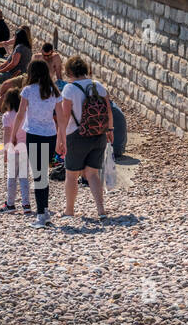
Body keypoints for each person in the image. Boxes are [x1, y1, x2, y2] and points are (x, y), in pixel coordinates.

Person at [57, 56, 112, 219]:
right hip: (99, 134)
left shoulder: (69, 89)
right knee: (92, 173)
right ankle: (101, 210)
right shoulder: (99, 86)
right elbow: (109, 110)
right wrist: (110, 130)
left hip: (77, 135)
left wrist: (60, 139)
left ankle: (69, 210)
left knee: (72, 175)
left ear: (69, 72)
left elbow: (65, 117)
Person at [9, 59, 62, 228]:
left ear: (31, 73)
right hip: (51, 135)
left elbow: (20, 115)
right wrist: (63, 140)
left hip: (34, 134)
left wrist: (13, 135)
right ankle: (44, 210)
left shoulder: (28, 91)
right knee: (43, 174)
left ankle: (41, 215)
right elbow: (61, 117)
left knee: (39, 175)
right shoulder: (53, 91)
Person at [0, 91, 32, 214]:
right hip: (25, 149)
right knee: (24, 177)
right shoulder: (26, 114)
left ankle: (10, 204)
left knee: (12, 178)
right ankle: (26, 204)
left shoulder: (7, 116)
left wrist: (6, 151)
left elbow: (7, 134)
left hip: (13, 149)